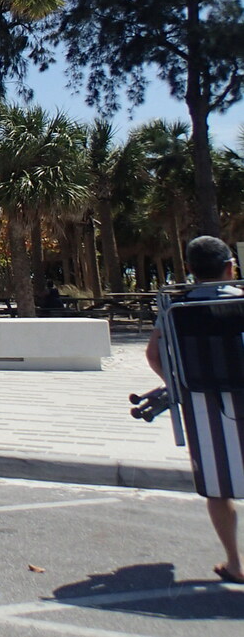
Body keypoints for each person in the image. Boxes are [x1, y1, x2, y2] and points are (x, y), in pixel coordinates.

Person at [146, 234, 243, 584]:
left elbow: (154, 355)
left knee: (218, 487)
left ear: (190, 269)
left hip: (204, 406)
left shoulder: (177, 308)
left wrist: (178, 383)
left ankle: (235, 563)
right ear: (230, 267)